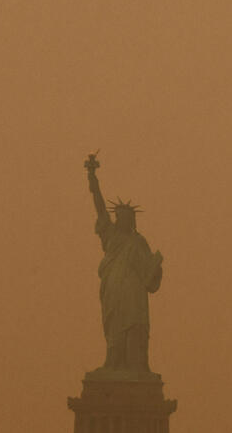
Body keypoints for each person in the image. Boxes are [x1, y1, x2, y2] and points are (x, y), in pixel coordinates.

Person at [86, 160, 163, 374]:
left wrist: (156, 267)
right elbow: (100, 208)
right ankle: (113, 362)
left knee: (135, 324)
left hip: (134, 291)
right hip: (113, 288)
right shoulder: (110, 235)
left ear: (133, 221)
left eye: (127, 218)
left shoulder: (139, 242)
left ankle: (137, 365)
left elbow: (151, 274)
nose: (122, 220)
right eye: (119, 217)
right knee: (114, 326)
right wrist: (93, 179)